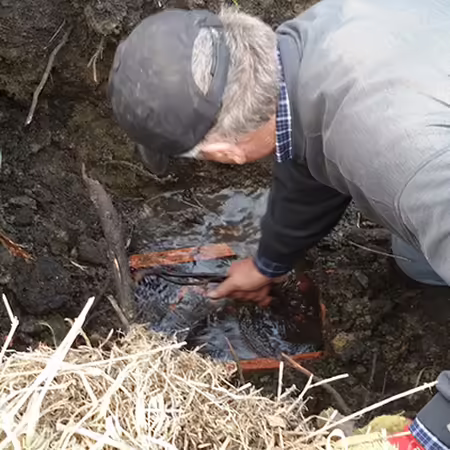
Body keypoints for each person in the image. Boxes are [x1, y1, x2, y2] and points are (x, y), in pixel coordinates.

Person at [107, 1, 450, 447]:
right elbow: (307, 148)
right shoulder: (313, 42)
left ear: (223, 153)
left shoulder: (403, 160)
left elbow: (378, 149)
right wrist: (270, 261)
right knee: (418, 256)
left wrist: (432, 431)